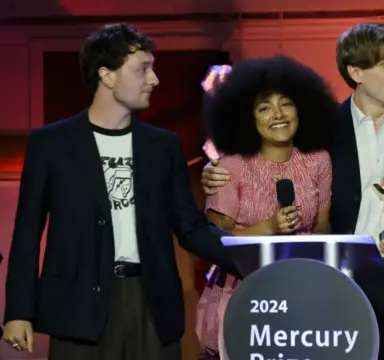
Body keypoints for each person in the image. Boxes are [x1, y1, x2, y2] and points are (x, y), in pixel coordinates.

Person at [201, 23, 384, 360]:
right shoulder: (322, 132)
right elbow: (271, 159)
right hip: (342, 292)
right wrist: (215, 169)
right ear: (356, 71)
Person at [2, 23, 239, 360]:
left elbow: (190, 227)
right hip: (79, 309)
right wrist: (18, 311)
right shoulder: (51, 144)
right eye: (143, 68)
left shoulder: (162, 146)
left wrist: (253, 258)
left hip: (152, 305)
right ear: (107, 76)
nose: (155, 79)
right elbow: (27, 234)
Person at [195, 55, 335, 359]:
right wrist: (269, 228)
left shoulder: (319, 161)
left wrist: (307, 248)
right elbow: (217, 241)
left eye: (286, 103)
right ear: (247, 118)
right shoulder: (230, 168)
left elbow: (323, 225)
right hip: (241, 296)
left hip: (299, 293)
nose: (277, 114)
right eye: (264, 107)